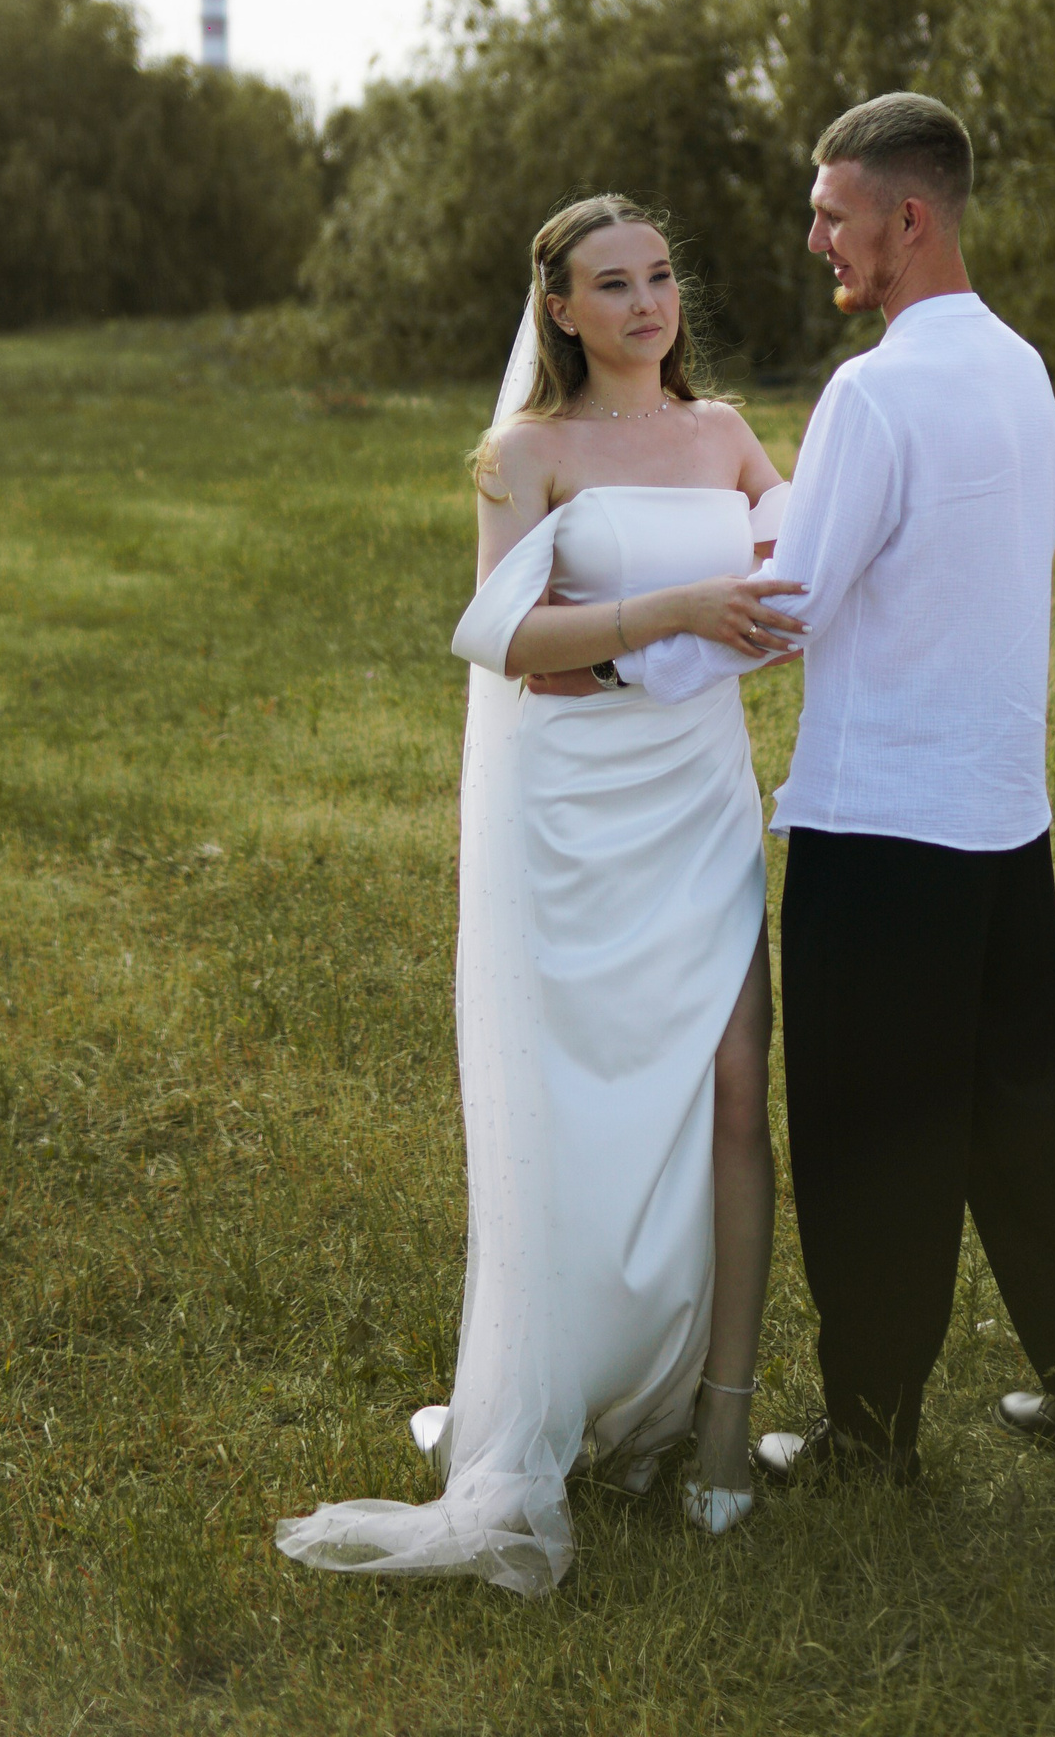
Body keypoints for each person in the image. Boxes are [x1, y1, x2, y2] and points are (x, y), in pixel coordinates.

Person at [276, 195, 807, 1592]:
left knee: (737, 1088)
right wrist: (677, 614)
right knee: (577, 1103)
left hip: (698, 796)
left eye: (661, 275)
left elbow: (806, 568)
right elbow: (502, 634)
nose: (647, 303)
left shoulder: (727, 433)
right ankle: (569, 1373)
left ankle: (721, 1422)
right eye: (611, 284)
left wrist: (766, 620)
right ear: (559, 308)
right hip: (572, 814)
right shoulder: (524, 453)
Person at [617, 94, 1055, 1479]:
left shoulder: (875, 391)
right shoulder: (1021, 369)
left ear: (908, 218)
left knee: (868, 1136)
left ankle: (868, 1437)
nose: (816, 241)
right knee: (1025, 1110)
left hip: (884, 827)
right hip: (1004, 816)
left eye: (833, 215)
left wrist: (621, 667)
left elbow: (788, 607)